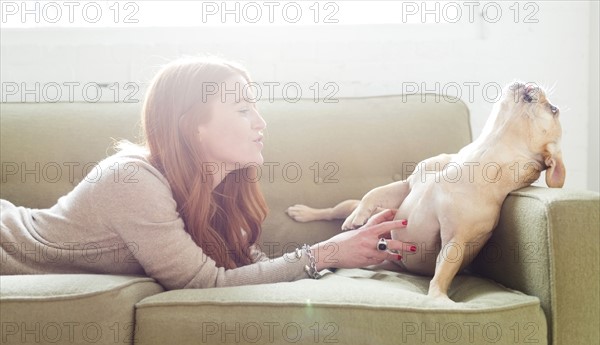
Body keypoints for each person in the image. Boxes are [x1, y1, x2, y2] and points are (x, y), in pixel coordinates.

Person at [0, 56, 411, 290]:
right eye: (243, 109)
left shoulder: (219, 187)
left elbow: (249, 271)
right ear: (192, 125)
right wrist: (329, 251)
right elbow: (203, 286)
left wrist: (359, 255)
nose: (261, 123)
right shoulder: (132, 180)